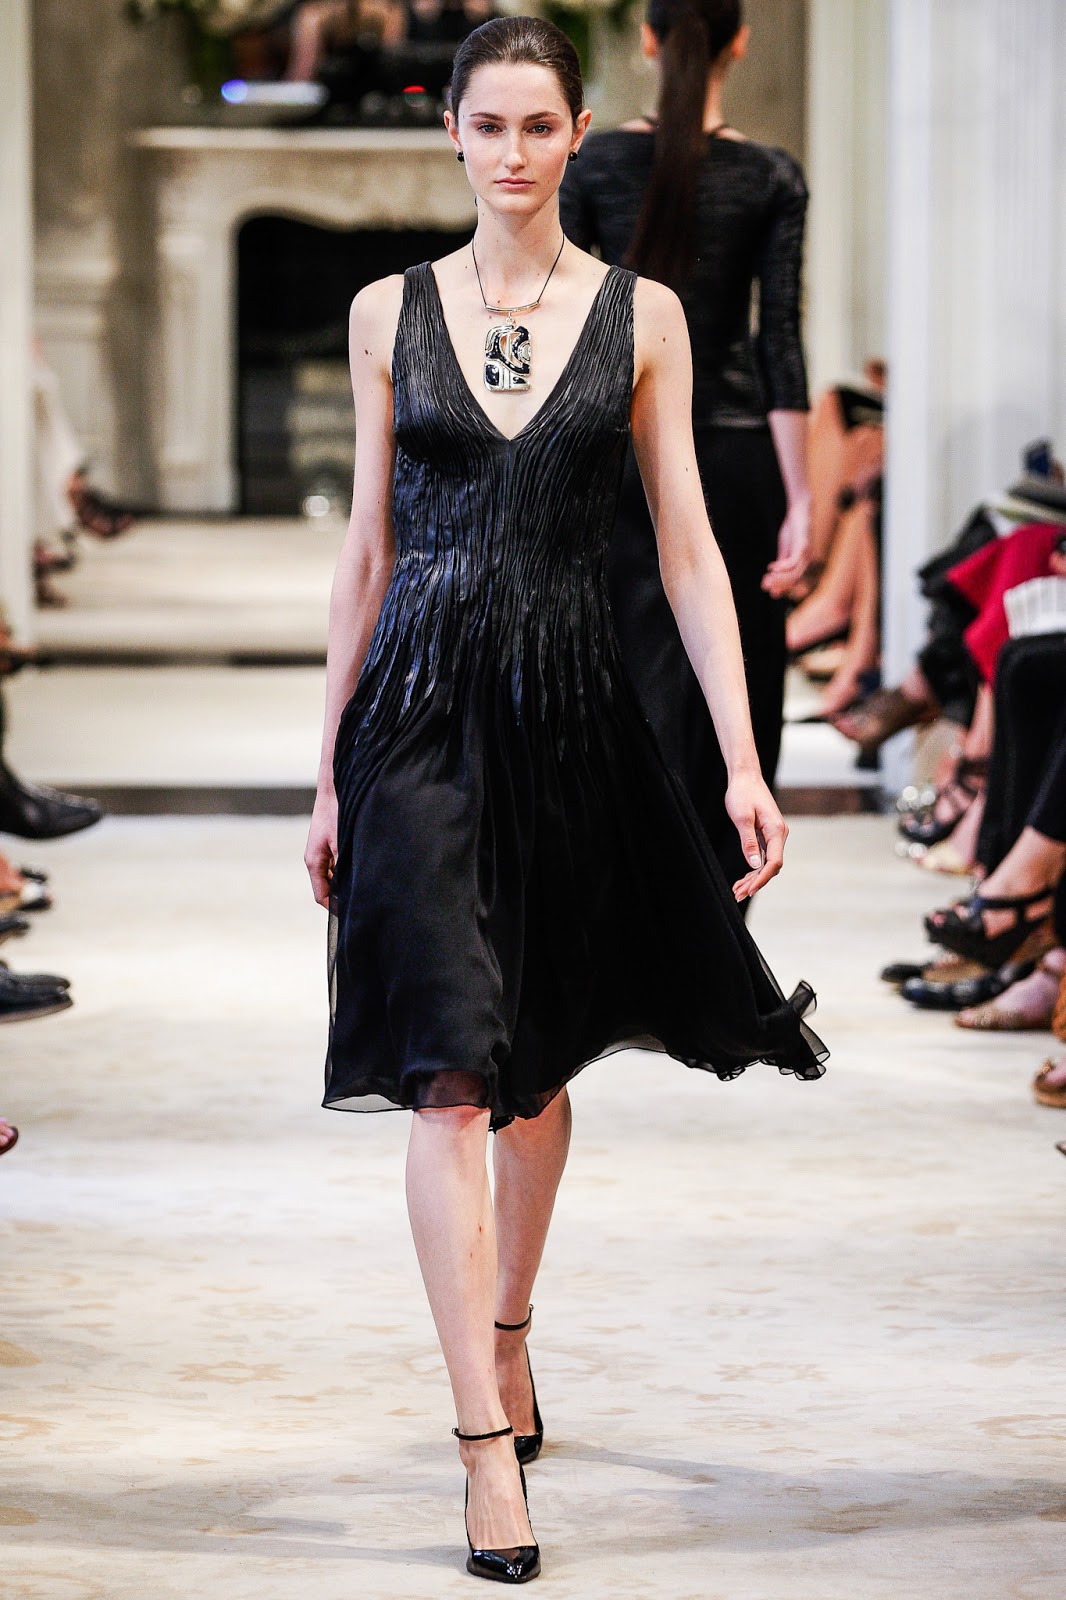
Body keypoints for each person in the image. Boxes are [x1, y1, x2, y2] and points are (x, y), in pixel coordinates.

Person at [304, 16, 825, 1583]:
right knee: (449, 1080)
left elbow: (686, 547)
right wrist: (321, 769)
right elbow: (366, 550)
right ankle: (483, 1452)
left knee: (529, 1082)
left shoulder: (643, 315)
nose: (515, 152)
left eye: (541, 126)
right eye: (489, 125)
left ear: (577, 133)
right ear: (451, 135)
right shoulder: (387, 312)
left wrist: (740, 759)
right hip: (413, 716)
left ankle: (509, 1329)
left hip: (571, 714)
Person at [559, 0, 810, 884]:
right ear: (739, 43)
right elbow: (778, 342)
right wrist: (802, 499)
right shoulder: (770, 176)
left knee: (616, 665)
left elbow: (563, 324)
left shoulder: (595, 162)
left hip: (613, 454)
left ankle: (616, 890)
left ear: (647, 40)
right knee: (735, 679)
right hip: (736, 460)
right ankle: (714, 900)